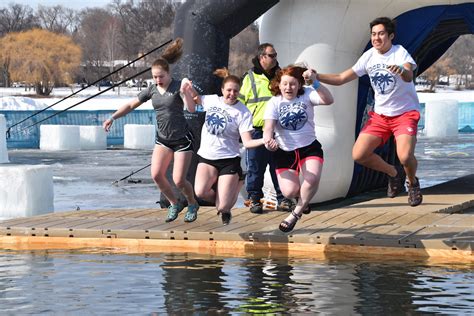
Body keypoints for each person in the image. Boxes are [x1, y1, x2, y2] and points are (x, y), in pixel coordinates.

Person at [316, 17, 423, 207]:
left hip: (404, 114)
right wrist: (317, 77)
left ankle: (412, 183)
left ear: (390, 36)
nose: (376, 38)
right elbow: (341, 78)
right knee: (359, 155)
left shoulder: (399, 52)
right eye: (373, 34)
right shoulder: (369, 56)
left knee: (405, 156)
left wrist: (400, 70)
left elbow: (408, 75)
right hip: (381, 115)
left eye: (381, 34)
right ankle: (393, 173)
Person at [102, 38, 200, 223]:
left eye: (160, 76)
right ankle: (174, 203)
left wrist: (186, 90)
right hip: (163, 139)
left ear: (168, 74)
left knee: (179, 180)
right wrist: (112, 117)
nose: (157, 80)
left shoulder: (178, 85)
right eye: (154, 77)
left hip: (182, 139)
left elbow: (191, 109)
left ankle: (192, 203)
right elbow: (131, 104)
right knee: (156, 175)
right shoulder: (152, 90)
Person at [185, 68, 277, 225]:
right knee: (200, 192)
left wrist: (264, 140)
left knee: (222, 207)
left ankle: (232, 191)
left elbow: (247, 142)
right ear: (222, 90)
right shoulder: (212, 100)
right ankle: (223, 198)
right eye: (229, 90)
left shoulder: (243, 111)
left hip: (229, 159)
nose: (232, 94)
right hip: (207, 156)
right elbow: (194, 97)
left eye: (235, 91)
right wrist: (186, 85)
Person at [263, 65, 334, 232]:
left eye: (293, 84)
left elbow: (329, 100)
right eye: (285, 84)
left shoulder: (307, 95)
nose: (289, 88)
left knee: (312, 178)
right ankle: (302, 200)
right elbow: (268, 129)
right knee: (289, 192)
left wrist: (315, 82)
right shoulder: (274, 102)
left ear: (300, 85)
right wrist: (268, 141)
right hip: (284, 151)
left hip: (308, 147)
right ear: (279, 85)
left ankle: (295, 214)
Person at [239, 43, 295, 214]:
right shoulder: (248, 78)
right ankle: (255, 199)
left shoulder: (281, 76)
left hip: (279, 130)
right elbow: (240, 104)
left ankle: (283, 199)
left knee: (279, 165)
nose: (275, 58)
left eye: (276, 54)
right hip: (257, 130)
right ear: (262, 57)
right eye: (272, 55)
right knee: (255, 167)